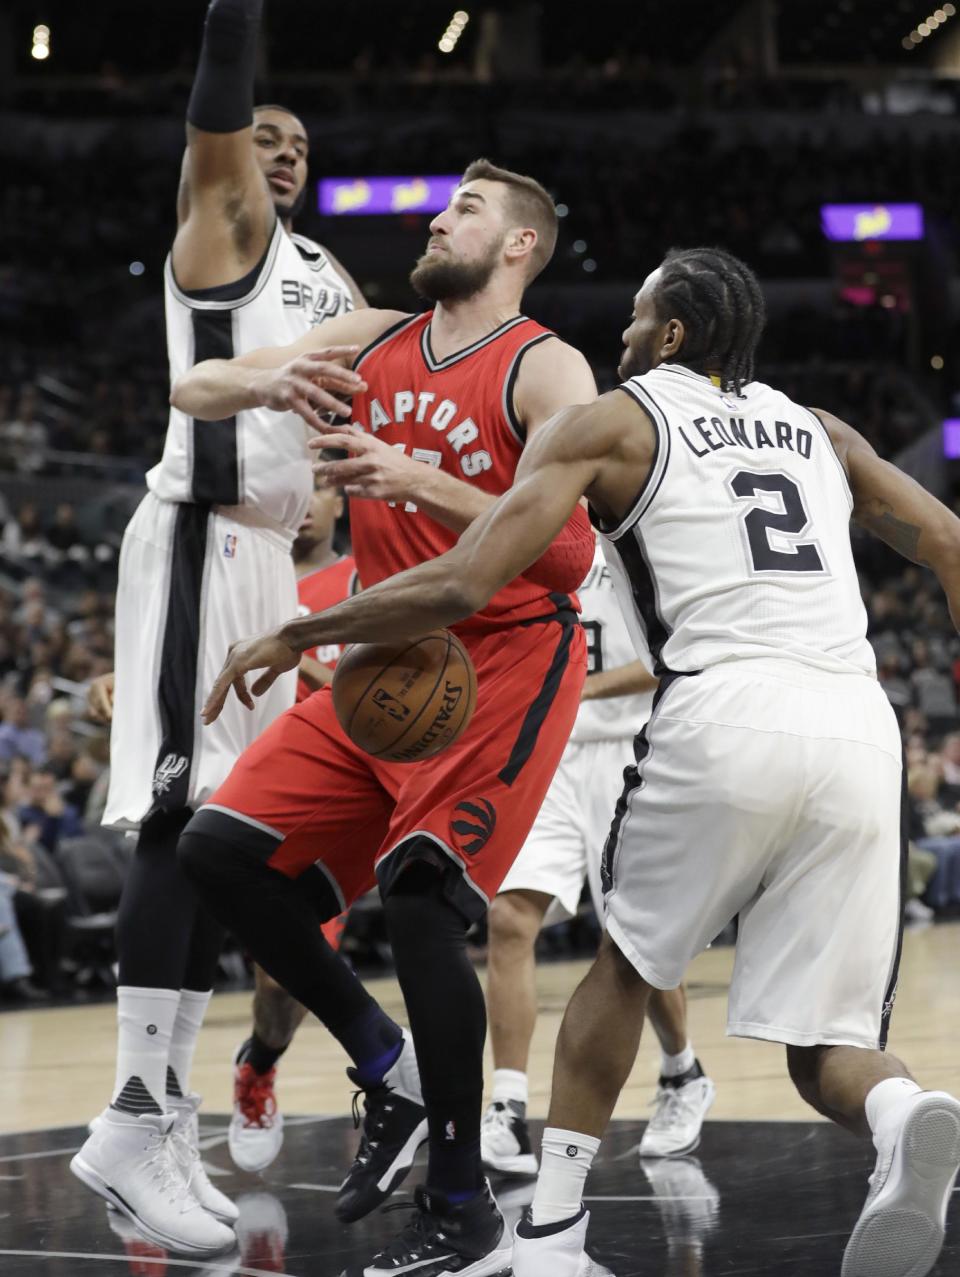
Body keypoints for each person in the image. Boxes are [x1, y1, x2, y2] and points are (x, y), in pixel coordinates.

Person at [205, 247, 960, 1277]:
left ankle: (554, 1232)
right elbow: (950, 542)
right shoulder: (821, 431)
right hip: (862, 726)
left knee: (623, 970)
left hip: (722, 710)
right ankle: (903, 1107)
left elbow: (469, 578)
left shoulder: (614, 418)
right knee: (824, 1043)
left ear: (673, 336)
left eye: (637, 318)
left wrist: (307, 631)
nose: (621, 335)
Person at [172, 158, 598, 1274]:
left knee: (420, 902)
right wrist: (274, 388)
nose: (434, 216)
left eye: (464, 208)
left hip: (501, 657)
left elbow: (569, 549)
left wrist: (418, 478)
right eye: (441, 202)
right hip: (381, 659)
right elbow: (193, 390)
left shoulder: (547, 369)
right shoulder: (372, 337)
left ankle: (462, 1208)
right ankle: (386, 1063)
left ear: (519, 245)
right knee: (215, 849)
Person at [69, 0, 365, 1258]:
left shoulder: (328, 276)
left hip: (269, 565)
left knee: (224, 841)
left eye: (298, 139)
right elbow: (221, 102)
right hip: (198, 531)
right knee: (178, 816)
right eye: (262, 132)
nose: (277, 147)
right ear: (231, 151)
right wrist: (234, 22)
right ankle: (140, 1109)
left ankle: (161, 1110)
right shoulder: (222, 231)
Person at [482, 531, 714, 1175]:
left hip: (628, 750)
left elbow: (676, 652)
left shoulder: (646, 532)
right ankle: (506, 1106)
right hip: (548, 755)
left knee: (634, 935)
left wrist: (579, 687)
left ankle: (682, 1071)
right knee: (508, 919)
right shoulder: (527, 529)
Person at [229, 475, 358, 1173]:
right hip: (240, 790)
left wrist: (292, 652)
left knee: (286, 983)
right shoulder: (248, 573)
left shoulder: (367, 578)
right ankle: (148, 1108)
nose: (305, 502)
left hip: (331, 802)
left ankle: (259, 1063)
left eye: (319, 490)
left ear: (341, 499)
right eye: (295, 489)